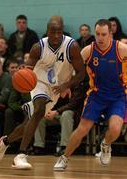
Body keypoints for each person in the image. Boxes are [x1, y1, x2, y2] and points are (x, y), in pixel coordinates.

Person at [0, 15, 85, 169]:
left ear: (63, 31)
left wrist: (66, 85)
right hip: (38, 83)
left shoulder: (72, 46)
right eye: (52, 32)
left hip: (56, 88)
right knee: (40, 109)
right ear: (47, 31)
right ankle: (21, 155)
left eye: (58, 32)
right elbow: (27, 72)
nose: (55, 36)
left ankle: (5, 141)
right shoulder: (38, 47)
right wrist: (22, 76)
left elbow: (81, 73)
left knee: (29, 123)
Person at [53, 18, 127, 171]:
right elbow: (73, 70)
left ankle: (105, 145)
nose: (100, 38)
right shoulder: (88, 50)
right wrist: (66, 85)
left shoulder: (121, 49)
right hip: (96, 95)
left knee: (115, 129)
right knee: (82, 129)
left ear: (111, 34)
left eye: (104, 34)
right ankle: (64, 157)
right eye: (98, 34)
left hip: (118, 96)